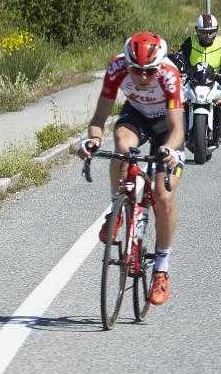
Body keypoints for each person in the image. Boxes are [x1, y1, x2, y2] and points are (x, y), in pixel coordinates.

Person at [77, 32, 186, 306]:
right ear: (127, 64)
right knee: (121, 146)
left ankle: (161, 269)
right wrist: (92, 139)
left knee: (163, 197)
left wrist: (170, 150)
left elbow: (177, 130)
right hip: (136, 114)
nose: (142, 77)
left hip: (166, 126)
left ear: (159, 66)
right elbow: (99, 118)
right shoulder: (116, 68)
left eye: (149, 71)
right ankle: (118, 208)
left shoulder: (170, 76)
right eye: (136, 70)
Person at [170, 13, 221, 140]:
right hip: (193, 78)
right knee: (176, 102)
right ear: (197, 31)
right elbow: (179, 56)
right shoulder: (190, 41)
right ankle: (178, 127)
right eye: (204, 32)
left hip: (215, 78)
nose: (208, 36)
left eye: (211, 32)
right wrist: (177, 65)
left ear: (216, 31)